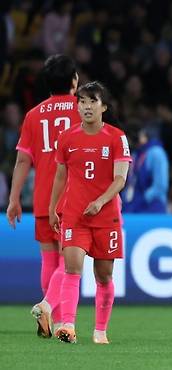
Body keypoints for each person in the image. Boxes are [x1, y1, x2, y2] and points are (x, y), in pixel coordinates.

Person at [48, 82, 132, 344]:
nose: (86, 106)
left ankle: (100, 331)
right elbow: (60, 175)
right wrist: (53, 208)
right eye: (81, 101)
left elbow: (120, 179)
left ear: (103, 107)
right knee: (72, 269)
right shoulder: (67, 137)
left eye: (92, 101)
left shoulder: (117, 138)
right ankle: (68, 326)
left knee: (104, 275)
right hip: (75, 214)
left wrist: (100, 201)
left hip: (106, 216)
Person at [6, 54, 78, 339]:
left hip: (42, 197)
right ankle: (53, 312)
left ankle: (53, 319)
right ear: (74, 80)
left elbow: (23, 161)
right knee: (69, 263)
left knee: (49, 259)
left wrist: (13, 199)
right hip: (73, 197)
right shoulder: (84, 109)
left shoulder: (34, 115)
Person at [122, 125, 169, 213]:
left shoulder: (157, 153)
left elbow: (160, 185)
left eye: (141, 135)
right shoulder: (136, 154)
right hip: (133, 206)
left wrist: (144, 199)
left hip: (152, 206)